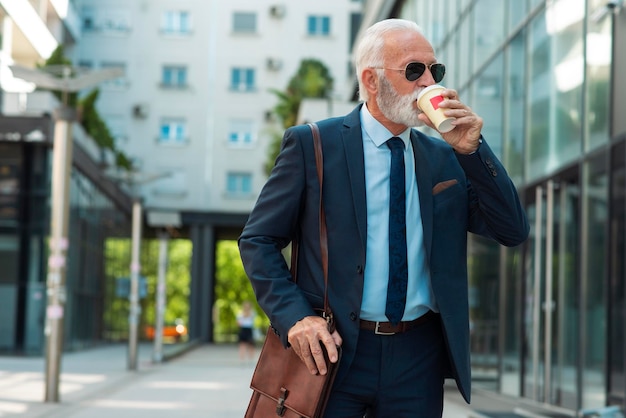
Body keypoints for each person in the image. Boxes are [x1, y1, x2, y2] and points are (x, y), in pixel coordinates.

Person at [238, 18, 529, 418]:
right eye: (414, 70)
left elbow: (511, 229)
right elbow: (258, 241)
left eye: (435, 70)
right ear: (372, 81)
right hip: (333, 352)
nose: (428, 82)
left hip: (418, 357)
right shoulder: (313, 145)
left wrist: (473, 152)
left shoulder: (445, 158)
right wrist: (295, 318)